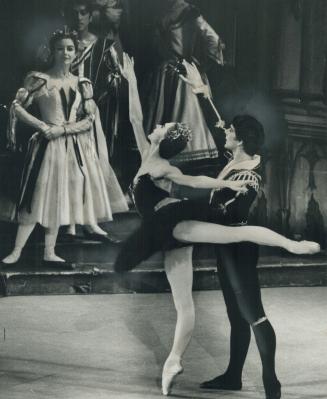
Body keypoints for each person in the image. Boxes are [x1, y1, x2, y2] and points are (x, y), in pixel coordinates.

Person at [116, 55, 320, 399]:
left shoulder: (249, 172)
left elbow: (232, 212)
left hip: (236, 242)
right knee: (233, 312)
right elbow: (216, 126)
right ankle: (233, 376)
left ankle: (272, 382)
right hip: (221, 239)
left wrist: (203, 207)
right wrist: (199, 92)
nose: (223, 133)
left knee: (252, 313)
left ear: (240, 140)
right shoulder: (234, 158)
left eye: (230, 132)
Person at [2, 29, 117, 267]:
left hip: (72, 148)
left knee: (59, 197)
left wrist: (63, 130)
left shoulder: (83, 84)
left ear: (75, 53)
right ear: (52, 51)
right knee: (38, 195)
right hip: (47, 148)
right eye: (60, 48)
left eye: (70, 49)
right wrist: (43, 126)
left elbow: (89, 120)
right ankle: (17, 251)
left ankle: (49, 252)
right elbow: (17, 107)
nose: (65, 53)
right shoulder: (40, 80)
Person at [63, 0, 129, 241]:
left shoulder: (102, 46)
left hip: (90, 113)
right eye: (75, 13)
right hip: (65, 112)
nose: (79, 18)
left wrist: (103, 90)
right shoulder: (64, 44)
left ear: (91, 16)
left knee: (89, 165)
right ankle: (69, 223)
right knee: (68, 166)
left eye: (83, 13)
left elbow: (116, 80)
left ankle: (89, 220)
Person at [141, 0, 225, 164]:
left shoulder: (169, 12)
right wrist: (205, 63)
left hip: (169, 72)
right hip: (181, 71)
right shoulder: (190, 12)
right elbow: (214, 41)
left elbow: (157, 45)